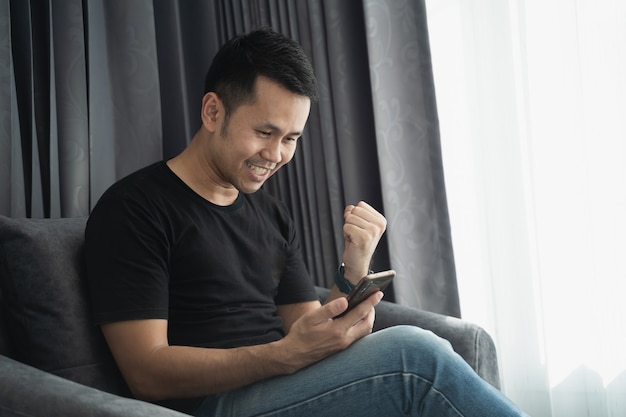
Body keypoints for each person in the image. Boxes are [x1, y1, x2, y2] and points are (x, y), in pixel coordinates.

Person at [85, 28, 526, 417]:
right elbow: (146, 372)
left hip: (281, 390)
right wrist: (282, 357)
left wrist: (353, 265)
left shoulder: (270, 214)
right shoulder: (135, 208)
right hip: (212, 404)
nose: (276, 155)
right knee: (416, 355)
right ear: (213, 112)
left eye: (290, 139)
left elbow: (307, 333)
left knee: (425, 351)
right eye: (264, 132)